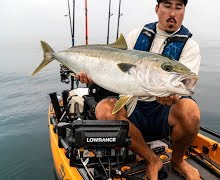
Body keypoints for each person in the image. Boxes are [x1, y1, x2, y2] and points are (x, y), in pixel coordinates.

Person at [77, 0, 201, 179]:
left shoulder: (190, 47)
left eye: (178, 7)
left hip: (163, 110)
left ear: (184, 11)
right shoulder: (136, 36)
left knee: (191, 111)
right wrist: (90, 74)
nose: (172, 13)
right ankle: (152, 160)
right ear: (157, 9)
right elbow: (112, 67)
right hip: (133, 106)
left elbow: (184, 85)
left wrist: (174, 97)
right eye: (167, 6)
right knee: (103, 110)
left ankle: (178, 160)